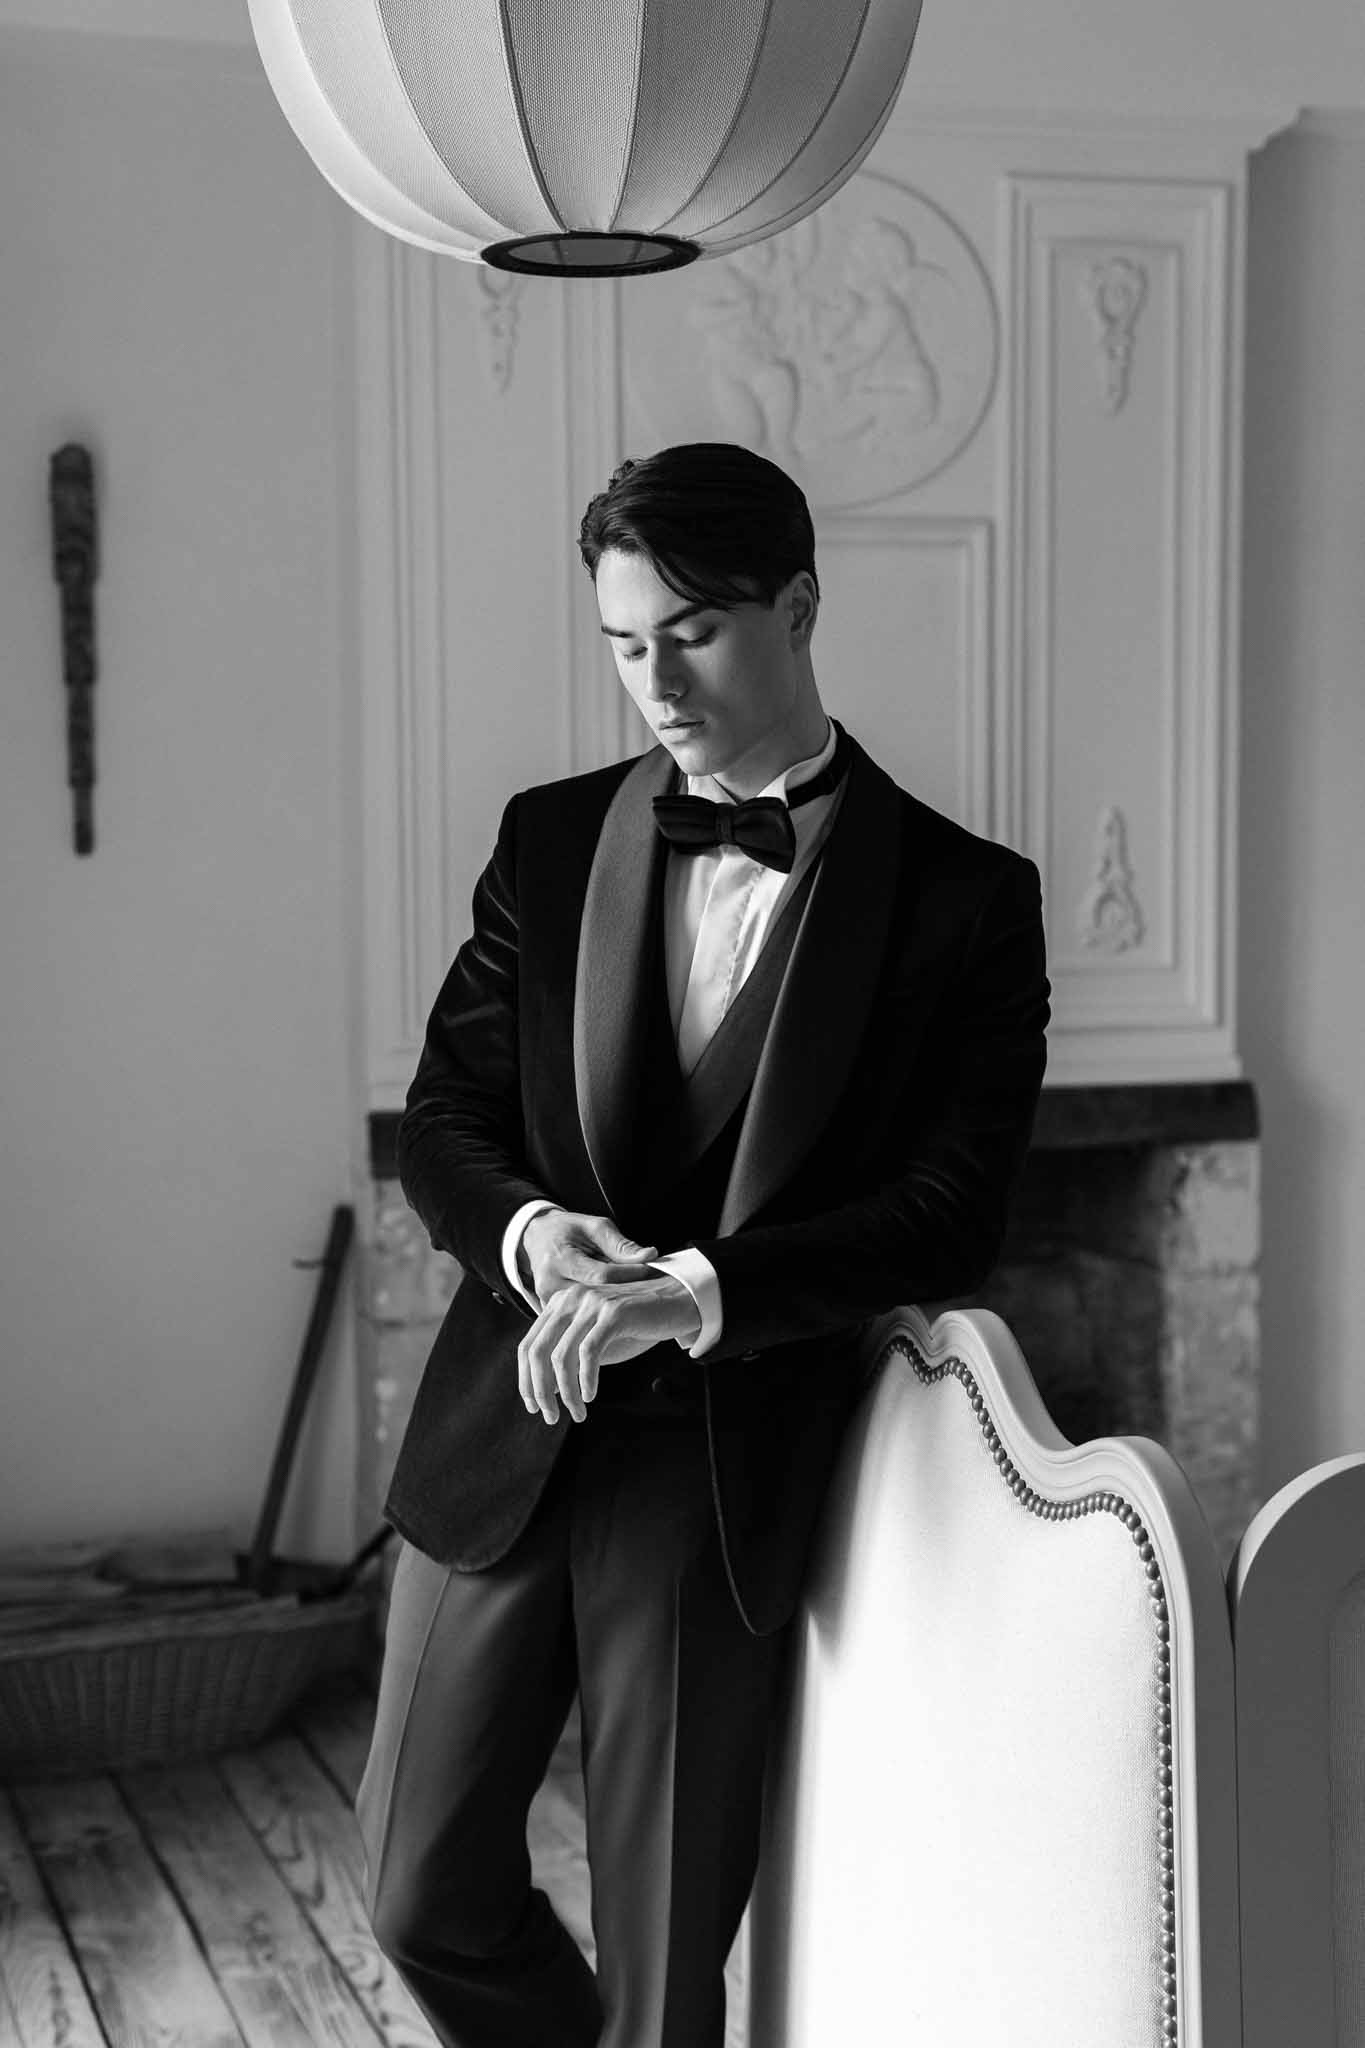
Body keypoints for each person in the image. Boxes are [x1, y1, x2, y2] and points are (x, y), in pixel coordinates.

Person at [357, 441, 1051, 2048]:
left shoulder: (965, 900)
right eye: (619, 641)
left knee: (666, 1975)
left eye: (692, 633)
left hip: (722, 1468)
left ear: (798, 607)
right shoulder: (545, 840)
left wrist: (693, 1295)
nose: (651, 680)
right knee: (414, 1894)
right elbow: (445, 1120)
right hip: (505, 1433)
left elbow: (956, 1211)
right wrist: (535, 1237)